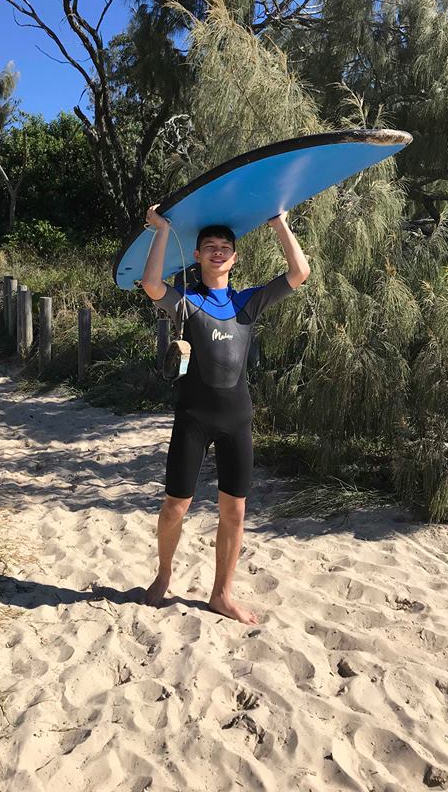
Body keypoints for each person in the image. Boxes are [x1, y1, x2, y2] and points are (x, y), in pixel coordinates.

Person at [140, 207, 310, 624]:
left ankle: (222, 594)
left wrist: (279, 222)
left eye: (225, 248)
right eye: (210, 247)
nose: (218, 252)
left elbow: (300, 272)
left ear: (235, 258)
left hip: (237, 420)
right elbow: (151, 284)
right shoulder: (188, 303)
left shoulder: (246, 302)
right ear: (197, 255)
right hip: (194, 418)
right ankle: (164, 574)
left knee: (234, 510)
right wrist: (161, 230)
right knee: (175, 506)